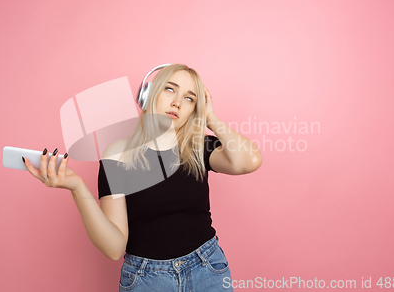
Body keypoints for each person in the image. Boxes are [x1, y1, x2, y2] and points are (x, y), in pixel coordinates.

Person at [22, 64, 262, 291]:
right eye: (170, 89)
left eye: (189, 98)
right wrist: (77, 187)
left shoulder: (199, 146)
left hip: (207, 269)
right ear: (147, 95)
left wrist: (210, 119)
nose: (177, 102)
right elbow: (114, 248)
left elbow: (250, 161)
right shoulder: (117, 155)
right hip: (147, 279)